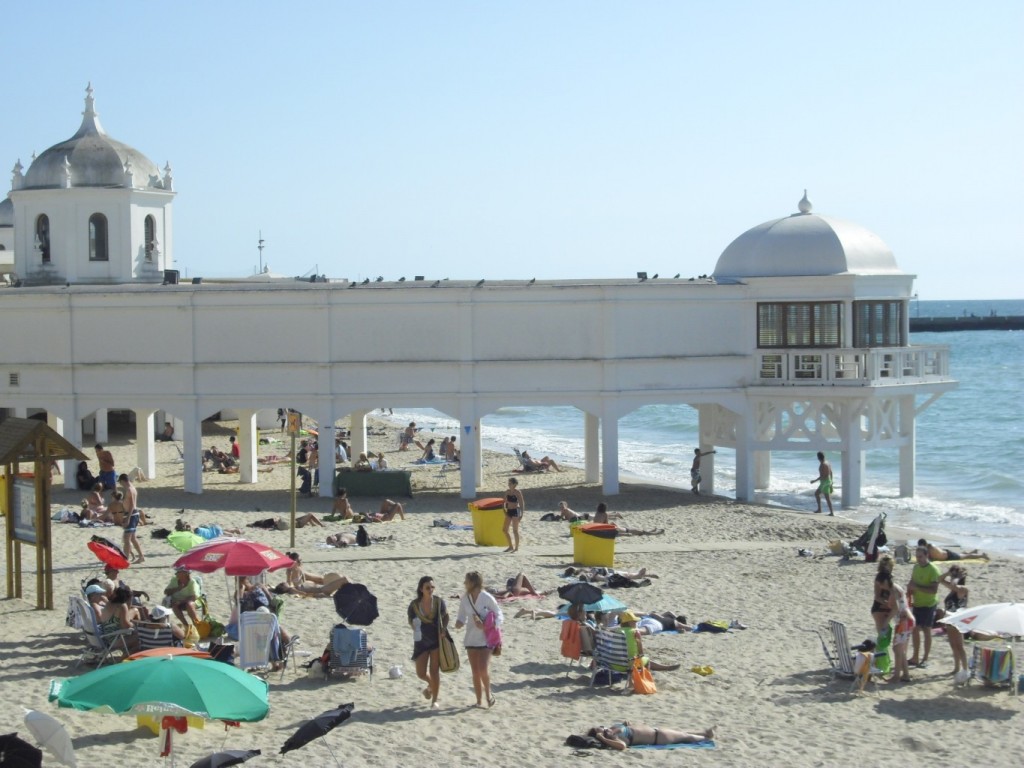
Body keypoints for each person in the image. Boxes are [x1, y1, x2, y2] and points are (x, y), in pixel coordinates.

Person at [455, 571, 503, 708]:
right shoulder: (465, 599)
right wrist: (459, 623)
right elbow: (461, 616)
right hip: (471, 639)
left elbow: (499, 615)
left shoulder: (487, 597)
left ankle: (488, 695)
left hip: (486, 639)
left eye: (467, 581)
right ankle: (478, 700)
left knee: (483, 668)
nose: (464, 583)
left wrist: (489, 625)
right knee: (475, 672)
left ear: (473, 583)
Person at [408, 575, 448, 709]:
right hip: (420, 641)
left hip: (436, 639)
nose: (430, 590)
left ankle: (434, 700)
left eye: (432, 587)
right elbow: (410, 619)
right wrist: (413, 625)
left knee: (434, 670)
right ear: (421, 589)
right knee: (420, 673)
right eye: (427, 588)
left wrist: (443, 629)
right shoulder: (414, 605)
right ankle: (431, 685)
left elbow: (446, 616)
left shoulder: (438, 602)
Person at [907, 545, 942, 667]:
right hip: (917, 603)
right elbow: (912, 581)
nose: (918, 559)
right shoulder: (916, 567)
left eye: (921, 557)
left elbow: (933, 590)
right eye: (917, 557)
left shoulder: (933, 570)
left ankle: (925, 658)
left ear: (927, 555)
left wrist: (916, 587)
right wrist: (909, 591)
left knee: (927, 630)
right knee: (915, 629)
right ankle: (915, 657)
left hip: (929, 604)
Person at [616, 611, 681, 670]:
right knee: (645, 660)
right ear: (630, 622)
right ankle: (665, 668)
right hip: (628, 665)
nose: (636, 622)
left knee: (636, 658)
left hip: (614, 664)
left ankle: (665, 667)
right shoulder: (636, 632)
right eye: (634, 621)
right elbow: (641, 653)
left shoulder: (615, 632)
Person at [939, 565, 970, 677]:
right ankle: (956, 667)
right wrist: (948, 573)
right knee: (953, 645)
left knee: (960, 646)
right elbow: (939, 579)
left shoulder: (963, 589)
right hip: (949, 619)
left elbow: (953, 585)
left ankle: (965, 669)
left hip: (958, 620)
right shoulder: (953, 590)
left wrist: (957, 577)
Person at [588, 723, 716, 750]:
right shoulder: (613, 738)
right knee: (685, 737)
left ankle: (704, 733)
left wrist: (625, 724)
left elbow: (626, 726)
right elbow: (622, 746)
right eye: (603, 731)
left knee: (682, 733)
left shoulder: (613, 730)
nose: (606, 729)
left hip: (657, 731)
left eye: (603, 726)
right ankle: (706, 738)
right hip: (659, 737)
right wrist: (603, 739)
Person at [887, 582, 915, 683]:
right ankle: (906, 674)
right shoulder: (897, 587)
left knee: (897, 648)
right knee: (900, 649)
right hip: (907, 620)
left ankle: (896, 676)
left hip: (904, 621)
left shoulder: (893, 589)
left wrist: (886, 621)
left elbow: (895, 608)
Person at [121, 481, 144, 564]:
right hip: (133, 515)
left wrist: (128, 518)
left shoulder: (129, 490)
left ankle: (125, 559)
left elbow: (132, 505)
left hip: (131, 515)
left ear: (122, 481)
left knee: (126, 538)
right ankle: (141, 556)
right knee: (133, 538)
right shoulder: (133, 488)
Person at [917, 538, 988, 562]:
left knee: (965, 557)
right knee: (962, 555)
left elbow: (930, 559)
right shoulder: (929, 546)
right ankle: (973, 552)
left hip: (949, 556)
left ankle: (982, 555)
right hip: (945, 553)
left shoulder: (930, 548)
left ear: (924, 544)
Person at [502, 477, 524, 553]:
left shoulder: (517, 492)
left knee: (515, 530)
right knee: (504, 530)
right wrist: (504, 511)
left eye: (510, 483)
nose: (509, 484)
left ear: (514, 484)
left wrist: (521, 514)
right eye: (508, 483)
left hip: (515, 511)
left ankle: (516, 548)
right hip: (509, 511)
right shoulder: (507, 492)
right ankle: (510, 546)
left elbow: (521, 503)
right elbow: (503, 502)